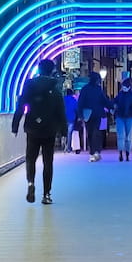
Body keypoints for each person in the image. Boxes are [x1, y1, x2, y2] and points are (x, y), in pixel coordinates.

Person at [11, 59, 68, 204]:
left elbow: (21, 105)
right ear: (52, 71)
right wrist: (64, 132)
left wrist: (15, 125)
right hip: (49, 130)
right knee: (48, 162)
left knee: (30, 158)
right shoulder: (55, 89)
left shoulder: (29, 87)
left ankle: (30, 183)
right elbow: (60, 112)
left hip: (32, 128)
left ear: (39, 70)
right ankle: (46, 194)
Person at [76, 70, 113, 161]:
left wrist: (80, 115)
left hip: (88, 115)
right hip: (98, 114)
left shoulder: (85, 89)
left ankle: (92, 152)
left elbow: (80, 102)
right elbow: (104, 101)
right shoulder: (98, 89)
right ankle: (96, 151)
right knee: (97, 133)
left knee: (90, 133)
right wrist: (112, 106)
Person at [113, 75, 132, 161]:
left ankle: (127, 153)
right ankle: (121, 152)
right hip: (120, 117)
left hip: (129, 117)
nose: (123, 88)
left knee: (128, 136)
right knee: (121, 135)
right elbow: (114, 102)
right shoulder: (120, 95)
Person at [63, 87, 80, 153]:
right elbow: (76, 109)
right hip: (71, 118)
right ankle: (68, 147)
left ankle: (64, 146)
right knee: (69, 133)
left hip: (64, 118)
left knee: (65, 132)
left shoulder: (63, 100)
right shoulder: (74, 100)